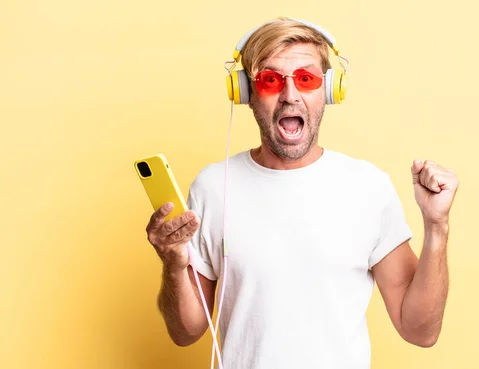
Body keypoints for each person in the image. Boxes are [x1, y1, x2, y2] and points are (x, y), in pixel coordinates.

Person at [145, 17, 459, 369]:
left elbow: (420, 331)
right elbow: (185, 332)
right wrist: (173, 264)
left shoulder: (367, 187)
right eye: (270, 80)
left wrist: (437, 227)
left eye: (306, 79)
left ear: (328, 91)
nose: (290, 95)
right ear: (246, 94)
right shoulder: (213, 187)